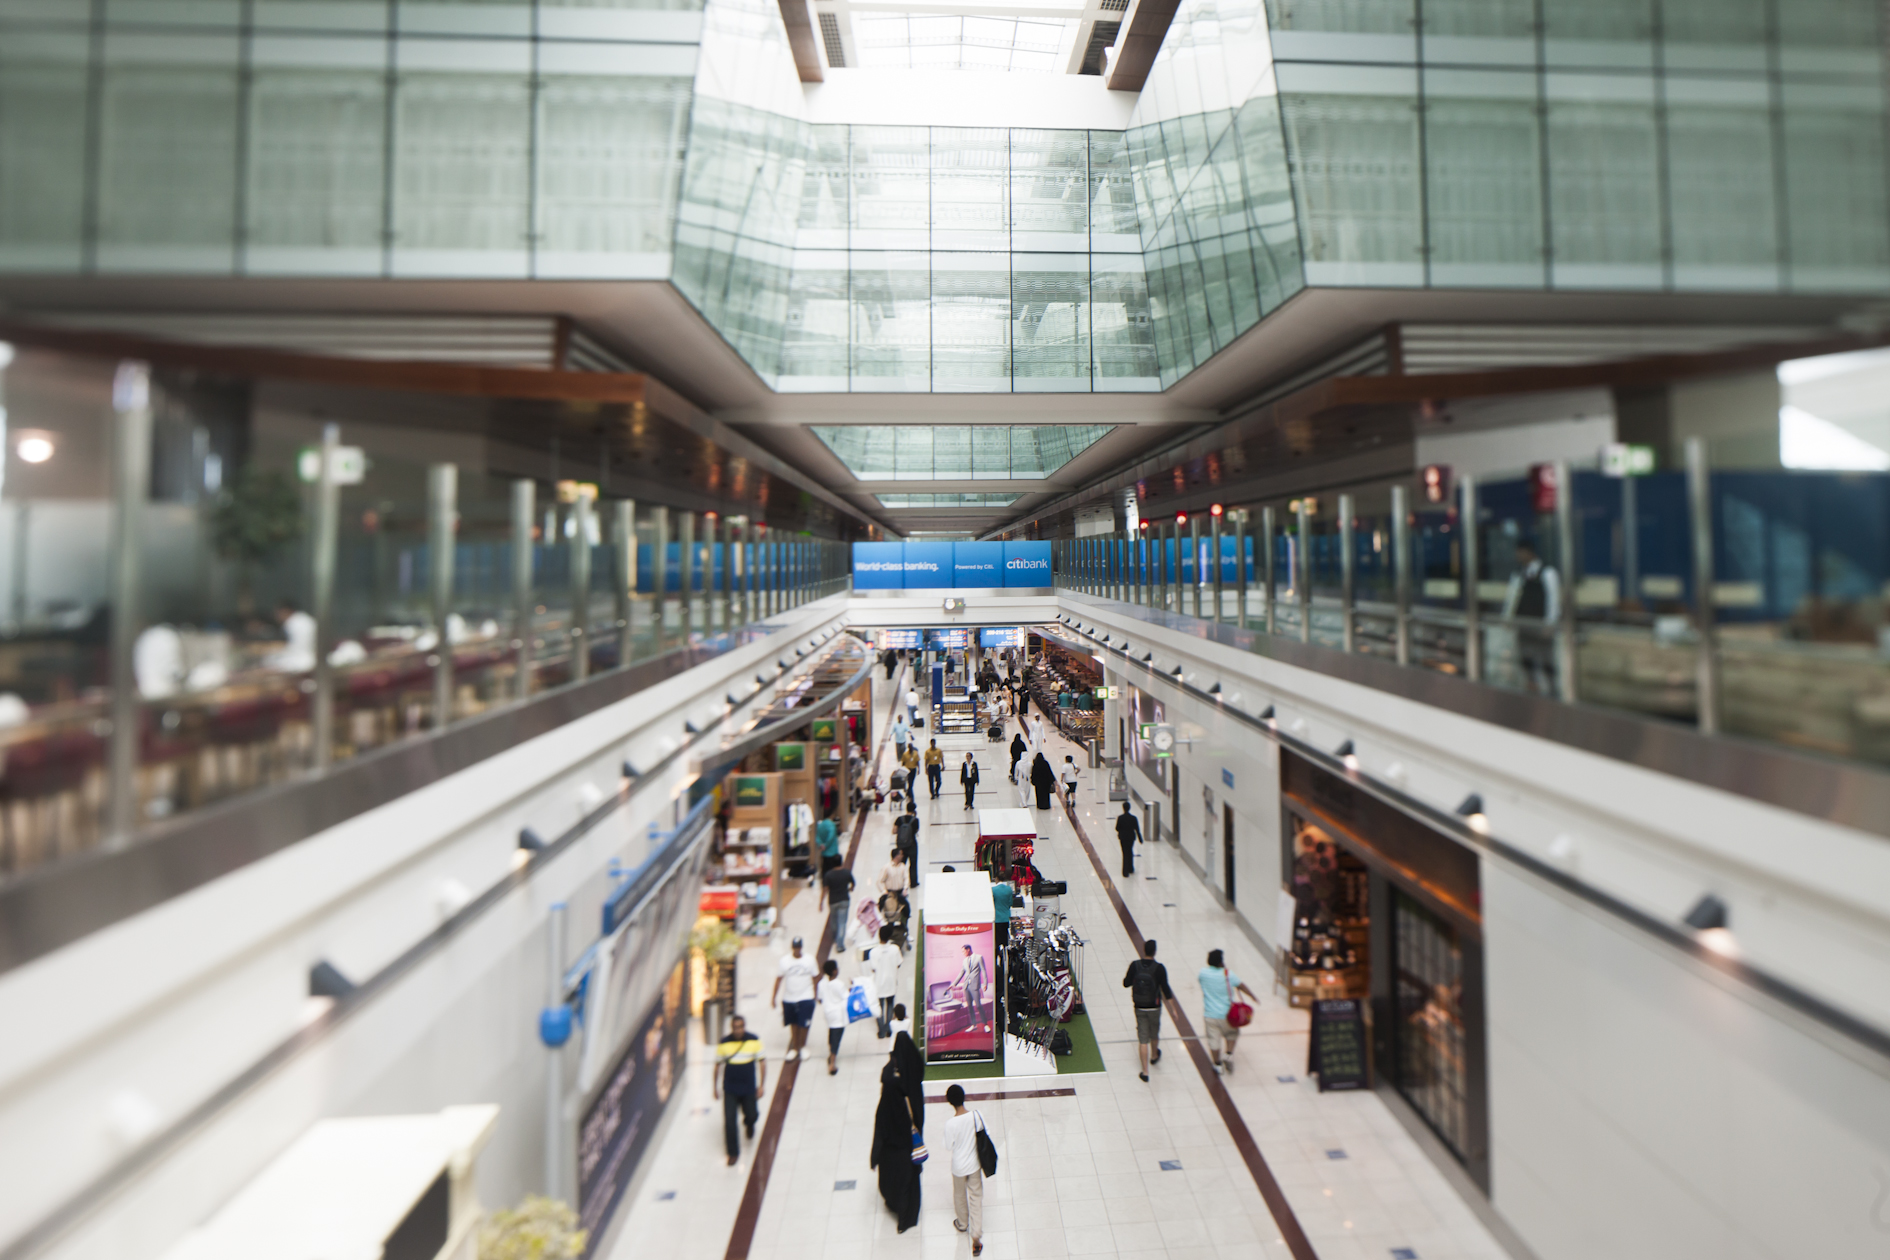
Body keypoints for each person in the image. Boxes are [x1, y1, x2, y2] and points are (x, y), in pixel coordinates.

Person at [870, 1032, 926, 1233]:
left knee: (893, 1177)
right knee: (907, 1179)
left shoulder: (891, 1086)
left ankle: (897, 1209)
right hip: (908, 1140)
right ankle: (906, 1218)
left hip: (892, 1142)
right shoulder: (912, 1081)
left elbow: (882, 1120)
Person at [1503, 538, 1562, 694]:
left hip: (1540, 626)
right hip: (1523, 625)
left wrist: (1550, 623)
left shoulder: (1548, 572)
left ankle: (1552, 692)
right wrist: (1507, 618)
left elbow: (1553, 599)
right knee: (1525, 659)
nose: (1518, 556)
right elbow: (1512, 598)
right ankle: (1531, 688)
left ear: (1528, 552)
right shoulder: (1518, 574)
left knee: (1546, 661)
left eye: (1520, 552)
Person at [713, 1014, 765, 1166]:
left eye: (741, 1027)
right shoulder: (724, 1043)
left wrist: (761, 1085)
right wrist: (714, 1087)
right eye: (735, 1028)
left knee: (752, 1114)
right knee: (729, 1121)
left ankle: (749, 1123)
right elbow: (717, 1066)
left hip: (748, 1087)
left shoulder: (754, 1040)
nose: (738, 1030)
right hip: (730, 1088)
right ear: (732, 1028)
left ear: (744, 1027)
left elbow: (762, 1063)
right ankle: (733, 1153)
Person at [1200, 949, 1261, 1075]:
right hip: (1227, 1015)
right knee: (1232, 1034)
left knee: (1213, 1040)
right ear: (1221, 961)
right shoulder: (1228, 974)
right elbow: (1241, 985)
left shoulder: (1203, 974)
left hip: (1210, 1015)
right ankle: (1228, 1054)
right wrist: (1252, 996)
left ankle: (1217, 1064)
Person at [943, 1084, 987, 1256]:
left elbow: (948, 1146)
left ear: (949, 1102)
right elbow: (986, 1133)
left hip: (959, 1167)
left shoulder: (950, 1124)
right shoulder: (976, 1115)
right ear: (964, 1097)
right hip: (975, 1164)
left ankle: (962, 1223)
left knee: (960, 1195)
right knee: (976, 1197)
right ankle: (976, 1236)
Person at [1122, 938, 1173, 1082]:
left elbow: (1126, 983)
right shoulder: (1159, 968)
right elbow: (1166, 989)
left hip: (1139, 1006)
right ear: (1155, 951)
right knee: (1154, 1032)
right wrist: (1173, 1008)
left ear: (1144, 950)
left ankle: (1145, 1072)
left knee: (1143, 1038)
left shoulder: (1135, 965)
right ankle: (1154, 1056)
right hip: (1154, 1006)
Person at [772, 936, 818, 1062]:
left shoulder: (810, 960)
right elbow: (779, 979)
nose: (797, 950)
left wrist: (816, 995)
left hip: (806, 996)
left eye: (798, 947)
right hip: (789, 997)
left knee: (804, 1023)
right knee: (793, 1023)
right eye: (795, 947)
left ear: (801, 947)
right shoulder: (784, 961)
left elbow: (815, 977)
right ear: (792, 947)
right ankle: (795, 1047)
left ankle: (803, 1046)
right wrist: (774, 997)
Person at [817, 958, 850, 1075]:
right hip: (838, 1015)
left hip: (828, 1014)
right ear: (835, 971)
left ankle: (830, 1054)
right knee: (836, 1039)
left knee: (831, 1035)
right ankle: (832, 1064)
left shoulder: (821, 983)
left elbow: (820, 1000)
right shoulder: (839, 984)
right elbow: (846, 997)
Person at [869, 924, 902, 1037]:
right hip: (891, 982)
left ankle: (881, 1030)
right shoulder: (895, 949)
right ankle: (888, 1028)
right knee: (890, 1004)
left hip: (878, 983)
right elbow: (898, 964)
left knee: (879, 1007)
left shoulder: (873, 952)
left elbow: (873, 968)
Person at [818, 860, 856, 952]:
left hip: (833, 901)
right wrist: (850, 889)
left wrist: (821, 902)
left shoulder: (828, 875)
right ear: (841, 862)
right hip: (844, 900)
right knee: (842, 923)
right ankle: (840, 945)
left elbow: (825, 889)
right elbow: (853, 884)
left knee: (834, 922)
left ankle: (836, 938)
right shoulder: (847, 873)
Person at [955, 942, 991, 1033]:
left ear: (968, 950)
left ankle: (985, 1025)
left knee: (978, 1005)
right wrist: (954, 984)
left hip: (975, 985)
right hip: (966, 985)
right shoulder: (964, 960)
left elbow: (983, 970)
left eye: (964, 951)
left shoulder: (979, 957)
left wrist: (985, 983)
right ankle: (973, 1025)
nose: (963, 953)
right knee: (969, 1006)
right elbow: (961, 973)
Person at [894, 802, 920, 886]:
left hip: (901, 846)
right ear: (914, 810)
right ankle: (913, 882)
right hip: (912, 845)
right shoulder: (915, 820)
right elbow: (916, 831)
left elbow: (894, 831)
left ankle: (900, 882)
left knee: (901, 864)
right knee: (913, 864)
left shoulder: (899, 819)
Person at [1115, 801, 1142, 877]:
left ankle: (1125, 871)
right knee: (1130, 851)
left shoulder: (1120, 818)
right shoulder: (1133, 818)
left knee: (1125, 853)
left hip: (1123, 838)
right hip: (1131, 838)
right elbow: (1137, 829)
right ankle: (1130, 868)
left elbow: (1117, 828)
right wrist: (1140, 838)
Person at [992, 878, 1014, 949]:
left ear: (996, 879)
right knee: (1005, 940)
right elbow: (1010, 903)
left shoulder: (993, 889)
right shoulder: (1008, 889)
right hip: (1005, 918)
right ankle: (1005, 956)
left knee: (996, 940)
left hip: (996, 918)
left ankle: (997, 956)